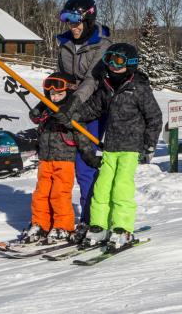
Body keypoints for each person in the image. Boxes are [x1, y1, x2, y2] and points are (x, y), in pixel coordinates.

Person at [56, 43, 162, 250]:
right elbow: (93, 109)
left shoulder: (139, 88)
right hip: (110, 148)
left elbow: (154, 117)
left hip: (131, 148)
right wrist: (71, 116)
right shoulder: (107, 87)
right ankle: (99, 226)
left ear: (130, 63)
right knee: (102, 188)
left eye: (119, 61)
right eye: (110, 59)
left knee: (121, 188)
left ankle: (122, 227)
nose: (113, 65)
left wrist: (149, 145)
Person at [55, 0, 112, 241]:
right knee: (63, 164)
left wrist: (76, 102)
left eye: (76, 20)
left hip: (94, 109)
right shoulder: (65, 44)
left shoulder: (103, 45)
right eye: (67, 20)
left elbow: (93, 79)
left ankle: (91, 219)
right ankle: (60, 217)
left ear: (88, 19)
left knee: (85, 164)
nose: (72, 26)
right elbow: (62, 76)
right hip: (70, 108)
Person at [20, 72, 101, 244]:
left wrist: (89, 156)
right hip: (45, 159)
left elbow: (82, 136)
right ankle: (40, 224)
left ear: (69, 92)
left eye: (59, 94)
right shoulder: (47, 108)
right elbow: (37, 121)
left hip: (64, 160)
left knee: (59, 194)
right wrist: (38, 112)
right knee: (40, 194)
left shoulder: (72, 113)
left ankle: (63, 226)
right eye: (52, 94)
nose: (55, 97)